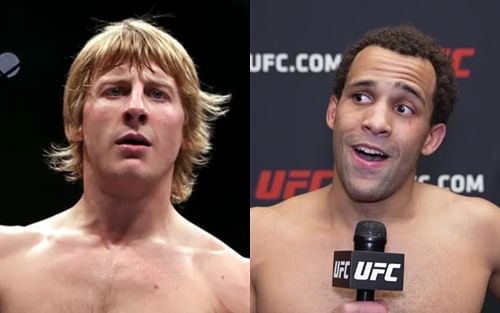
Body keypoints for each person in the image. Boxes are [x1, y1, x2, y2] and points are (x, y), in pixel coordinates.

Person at [0, 18, 249, 312]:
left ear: (188, 131)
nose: (136, 108)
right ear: (77, 122)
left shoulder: (236, 286)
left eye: (157, 93)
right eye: (115, 90)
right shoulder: (6, 261)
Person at [251, 25, 500, 313]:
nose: (377, 121)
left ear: (431, 139)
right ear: (333, 112)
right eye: (361, 97)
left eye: (404, 108)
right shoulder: (260, 237)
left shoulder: (483, 231)